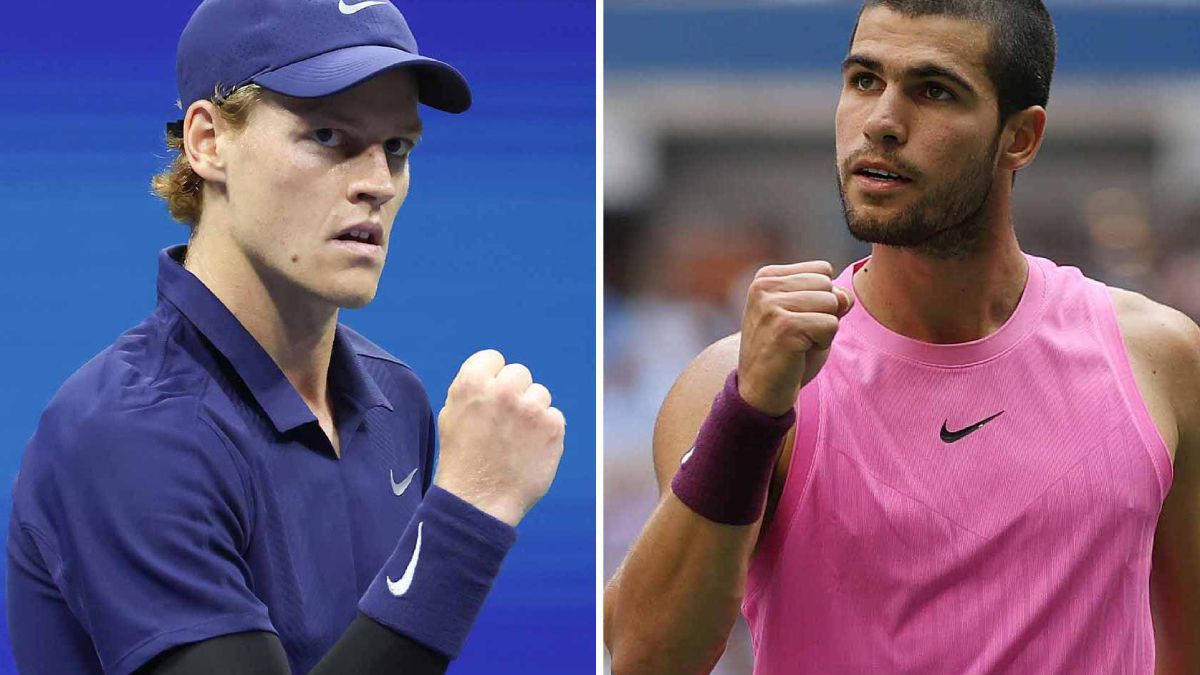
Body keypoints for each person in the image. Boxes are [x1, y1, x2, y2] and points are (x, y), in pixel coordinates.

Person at [605, 1, 1200, 673]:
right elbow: (643, 657)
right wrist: (749, 415)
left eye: (934, 91)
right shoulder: (739, 385)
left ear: (1021, 138)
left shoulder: (1160, 359)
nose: (883, 122)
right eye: (864, 80)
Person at [7, 1, 565, 674]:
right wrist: (469, 513)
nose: (378, 184)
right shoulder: (126, 432)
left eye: (397, 147)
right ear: (208, 142)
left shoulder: (398, 399)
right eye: (328, 136)